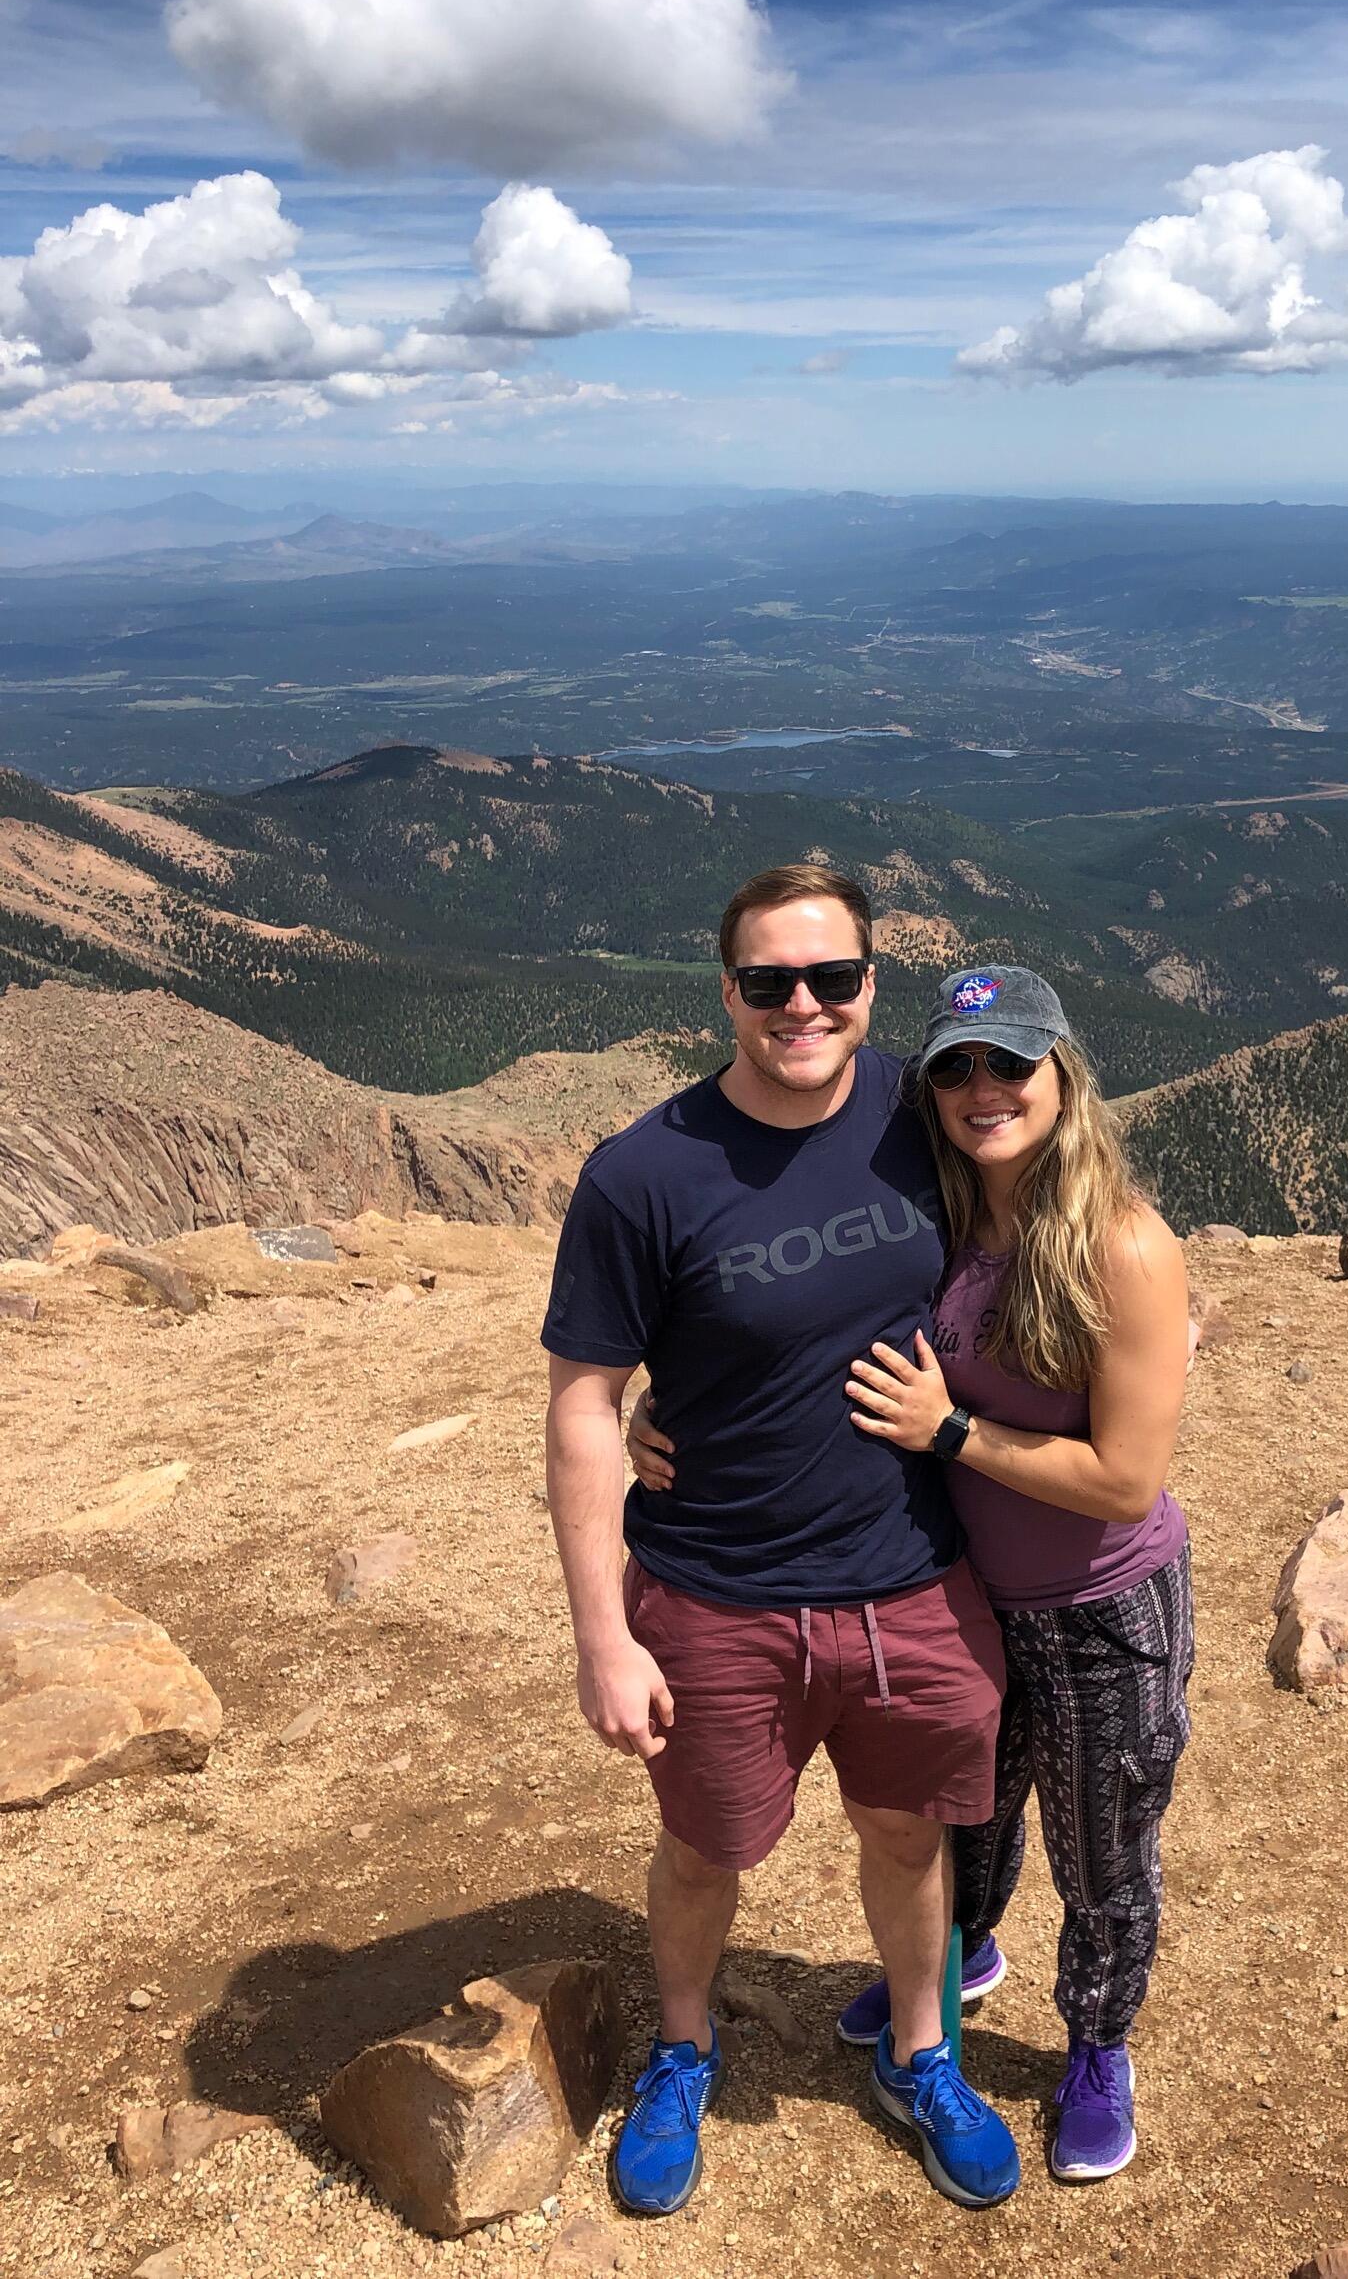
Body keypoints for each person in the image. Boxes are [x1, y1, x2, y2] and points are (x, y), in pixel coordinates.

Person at [632, 964, 1194, 2184]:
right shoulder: (937, 1206)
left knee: (1102, 1846)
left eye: (1011, 1063)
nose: (984, 1088)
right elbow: (791, 1305)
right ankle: (945, 1976)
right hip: (963, 1591)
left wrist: (954, 1436)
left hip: (1102, 1604)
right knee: (957, 1824)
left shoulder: (1122, 1245)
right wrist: (662, 1405)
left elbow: (1125, 1483)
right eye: (956, 1067)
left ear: (1063, 1073)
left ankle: (1096, 2044)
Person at [542, 867, 1021, 2217]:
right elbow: (581, 1406)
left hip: (911, 1578)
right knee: (704, 1849)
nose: (802, 1006)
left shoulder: (918, 1115)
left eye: (831, 979)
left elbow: (1055, 1207)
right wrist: (599, 1636)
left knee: (907, 1836)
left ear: (874, 985)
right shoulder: (643, 1174)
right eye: (769, 982)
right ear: (727, 993)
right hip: (716, 1593)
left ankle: (922, 2052)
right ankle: (682, 2049)